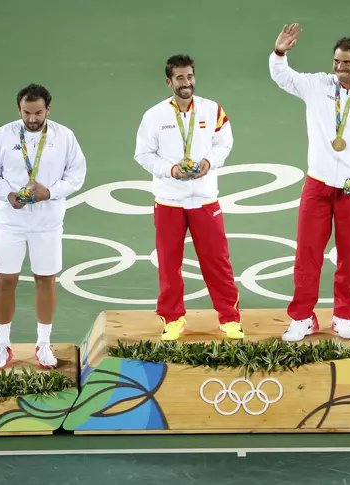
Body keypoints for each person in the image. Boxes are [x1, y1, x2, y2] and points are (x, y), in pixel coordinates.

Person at [268, 24, 350, 342]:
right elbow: (283, 77)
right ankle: (302, 318)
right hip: (318, 184)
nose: (340, 69)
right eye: (336, 62)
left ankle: (344, 316)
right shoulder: (316, 86)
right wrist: (279, 53)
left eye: (347, 63)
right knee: (307, 254)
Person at [133, 55, 243, 341]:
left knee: (218, 262)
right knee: (169, 264)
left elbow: (224, 143)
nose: (186, 83)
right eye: (180, 78)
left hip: (205, 200)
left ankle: (230, 318)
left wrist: (209, 162)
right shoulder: (154, 116)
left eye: (190, 77)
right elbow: (142, 154)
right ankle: (172, 319)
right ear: (169, 82)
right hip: (169, 200)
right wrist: (169, 170)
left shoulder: (212, 110)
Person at [0, 84, 87, 370]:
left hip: (47, 223)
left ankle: (43, 344)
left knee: (46, 280)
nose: (32, 118)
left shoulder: (64, 137)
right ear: (19, 109)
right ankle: (2, 345)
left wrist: (49, 192)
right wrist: (9, 194)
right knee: (5, 280)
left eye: (38, 112)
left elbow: (77, 174)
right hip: (10, 221)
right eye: (26, 113)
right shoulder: (2, 135)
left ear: (48, 109)